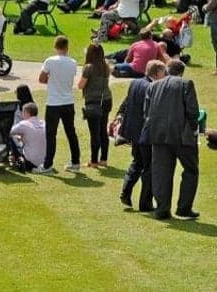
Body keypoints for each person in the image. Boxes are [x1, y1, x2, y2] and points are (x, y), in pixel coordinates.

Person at [143, 58, 201, 220]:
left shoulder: (153, 86)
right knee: (191, 170)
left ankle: (162, 209)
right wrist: (194, 128)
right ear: (181, 72)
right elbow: (192, 111)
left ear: (167, 70)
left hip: (159, 135)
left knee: (161, 172)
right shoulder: (186, 84)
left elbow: (146, 112)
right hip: (182, 136)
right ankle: (183, 208)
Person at [117, 61, 160, 212]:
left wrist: (119, 115)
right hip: (146, 134)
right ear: (157, 73)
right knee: (148, 167)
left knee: (137, 163)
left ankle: (125, 192)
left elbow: (127, 102)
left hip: (134, 132)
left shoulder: (135, 83)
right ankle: (145, 203)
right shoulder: (152, 87)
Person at [38, 35, 81, 173]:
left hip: (54, 103)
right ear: (67, 47)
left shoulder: (50, 61)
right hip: (68, 102)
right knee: (71, 133)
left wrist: (51, 79)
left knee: (51, 135)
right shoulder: (73, 62)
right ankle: (75, 162)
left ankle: (47, 164)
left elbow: (42, 79)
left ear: (56, 47)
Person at [78, 42, 112, 168]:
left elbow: (81, 85)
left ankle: (93, 161)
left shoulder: (89, 67)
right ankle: (104, 159)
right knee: (103, 130)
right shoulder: (106, 66)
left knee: (94, 132)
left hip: (93, 101)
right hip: (106, 99)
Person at [9, 102, 48, 172]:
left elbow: (9, 132)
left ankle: (12, 159)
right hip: (46, 161)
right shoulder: (44, 123)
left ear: (26, 113)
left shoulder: (24, 124)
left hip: (30, 162)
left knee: (10, 138)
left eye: (23, 112)